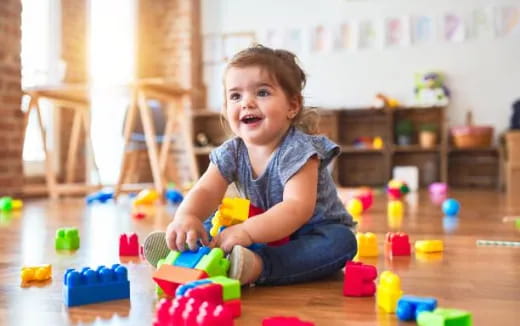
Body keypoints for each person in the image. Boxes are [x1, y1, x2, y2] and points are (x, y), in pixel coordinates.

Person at [144, 44, 357, 286]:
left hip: (310, 232)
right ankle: (185, 249)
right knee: (212, 218)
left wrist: (247, 232)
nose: (247, 103)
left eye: (262, 93)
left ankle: (257, 266)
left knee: (341, 242)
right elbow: (205, 191)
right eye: (235, 96)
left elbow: (296, 207)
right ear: (226, 109)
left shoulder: (298, 150)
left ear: (292, 106)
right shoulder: (231, 152)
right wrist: (187, 217)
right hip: (262, 228)